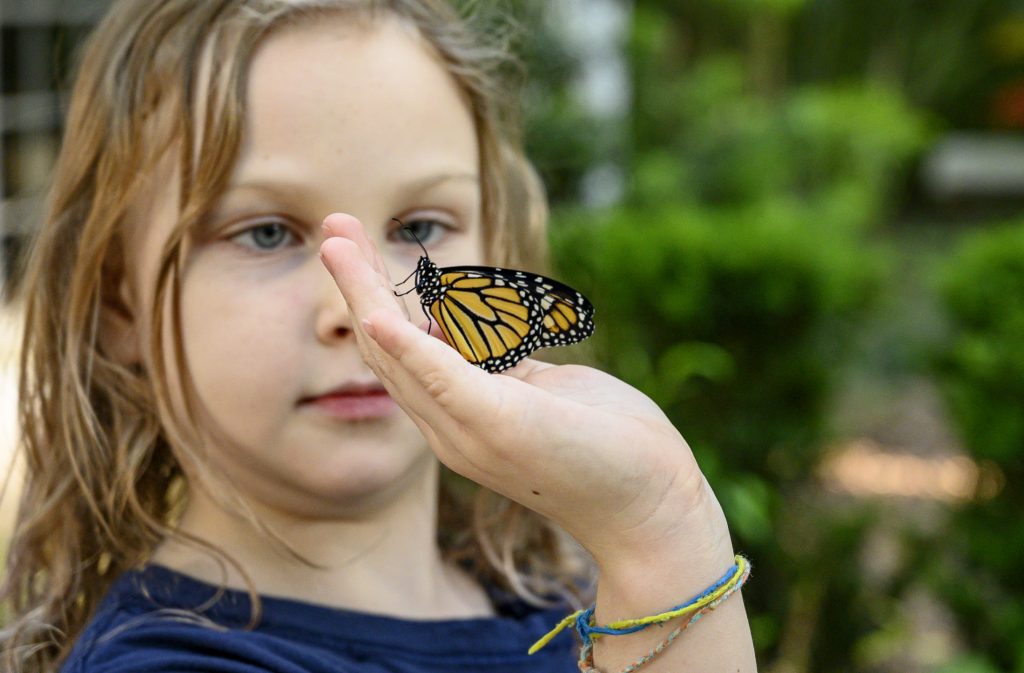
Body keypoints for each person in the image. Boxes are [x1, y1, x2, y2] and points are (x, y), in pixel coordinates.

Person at [0, 1, 757, 672]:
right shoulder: (168, 660)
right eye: (266, 233)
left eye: (420, 226)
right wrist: (657, 538)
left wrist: (657, 524)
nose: (364, 312)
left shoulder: (567, 605)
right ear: (117, 305)